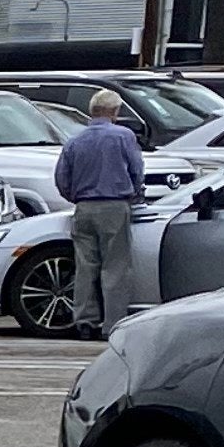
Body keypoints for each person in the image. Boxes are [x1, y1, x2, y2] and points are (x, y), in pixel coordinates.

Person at [55, 88, 149, 337]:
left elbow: (62, 178)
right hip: (115, 205)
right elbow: (137, 170)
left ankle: (84, 320)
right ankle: (112, 323)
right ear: (114, 111)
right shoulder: (123, 136)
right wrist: (134, 191)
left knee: (85, 266)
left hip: (83, 207)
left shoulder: (75, 140)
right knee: (115, 267)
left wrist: (75, 196)